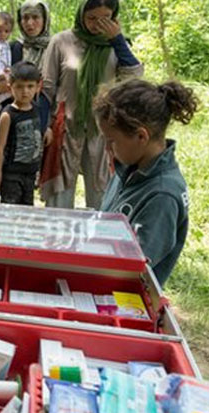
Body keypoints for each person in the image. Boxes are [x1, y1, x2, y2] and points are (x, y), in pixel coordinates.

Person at [40, 0, 143, 209]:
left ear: (114, 18)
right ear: (81, 15)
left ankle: (98, 240)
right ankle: (57, 239)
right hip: (65, 127)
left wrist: (117, 40)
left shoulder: (117, 46)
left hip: (103, 130)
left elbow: (133, 78)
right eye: (91, 18)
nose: (96, 25)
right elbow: (46, 88)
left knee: (102, 194)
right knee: (59, 194)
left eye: (104, 19)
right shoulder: (61, 42)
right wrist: (42, 125)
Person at [94, 80, 196, 285]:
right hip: (103, 278)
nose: (107, 149)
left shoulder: (162, 195)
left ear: (141, 136)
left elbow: (134, 268)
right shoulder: (129, 168)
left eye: (111, 141)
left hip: (122, 293)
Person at [0, 0, 52, 202]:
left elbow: (53, 89)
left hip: (34, 117)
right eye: (25, 18)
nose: (30, 23)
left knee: (24, 171)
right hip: (7, 112)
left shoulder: (52, 48)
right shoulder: (13, 46)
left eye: (35, 17)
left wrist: (47, 123)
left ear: (45, 20)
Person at [0, 62, 44, 206]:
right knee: (11, 210)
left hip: (30, 173)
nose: (25, 91)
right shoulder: (8, 115)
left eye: (30, 86)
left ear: (38, 87)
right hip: (11, 174)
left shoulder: (36, 110)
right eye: (19, 87)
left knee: (27, 209)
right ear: (10, 86)